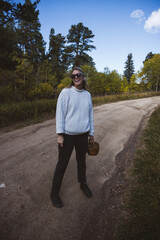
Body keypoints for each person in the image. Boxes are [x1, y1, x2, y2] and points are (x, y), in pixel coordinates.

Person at [50, 67, 94, 208]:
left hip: (83, 135)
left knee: (82, 162)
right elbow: (60, 114)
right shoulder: (66, 92)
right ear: (72, 78)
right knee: (61, 165)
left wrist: (91, 133)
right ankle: (54, 193)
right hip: (68, 136)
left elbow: (90, 116)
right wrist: (60, 135)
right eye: (73, 75)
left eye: (78, 74)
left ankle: (83, 184)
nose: (76, 77)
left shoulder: (87, 95)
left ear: (83, 76)